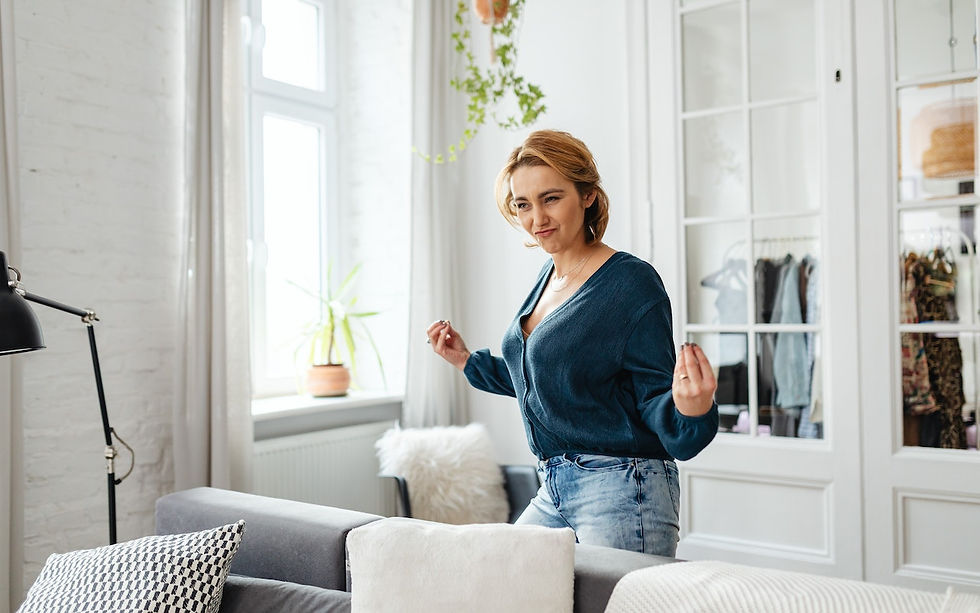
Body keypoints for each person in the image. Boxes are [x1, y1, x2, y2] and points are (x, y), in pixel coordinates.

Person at [426, 130, 718, 556]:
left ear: (586, 196)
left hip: (622, 487)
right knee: (498, 581)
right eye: (522, 204)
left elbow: (655, 397)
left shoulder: (629, 282)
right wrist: (466, 360)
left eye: (551, 198)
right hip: (554, 486)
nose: (536, 218)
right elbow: (547, 379)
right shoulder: (548, 280)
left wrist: (693, 409)